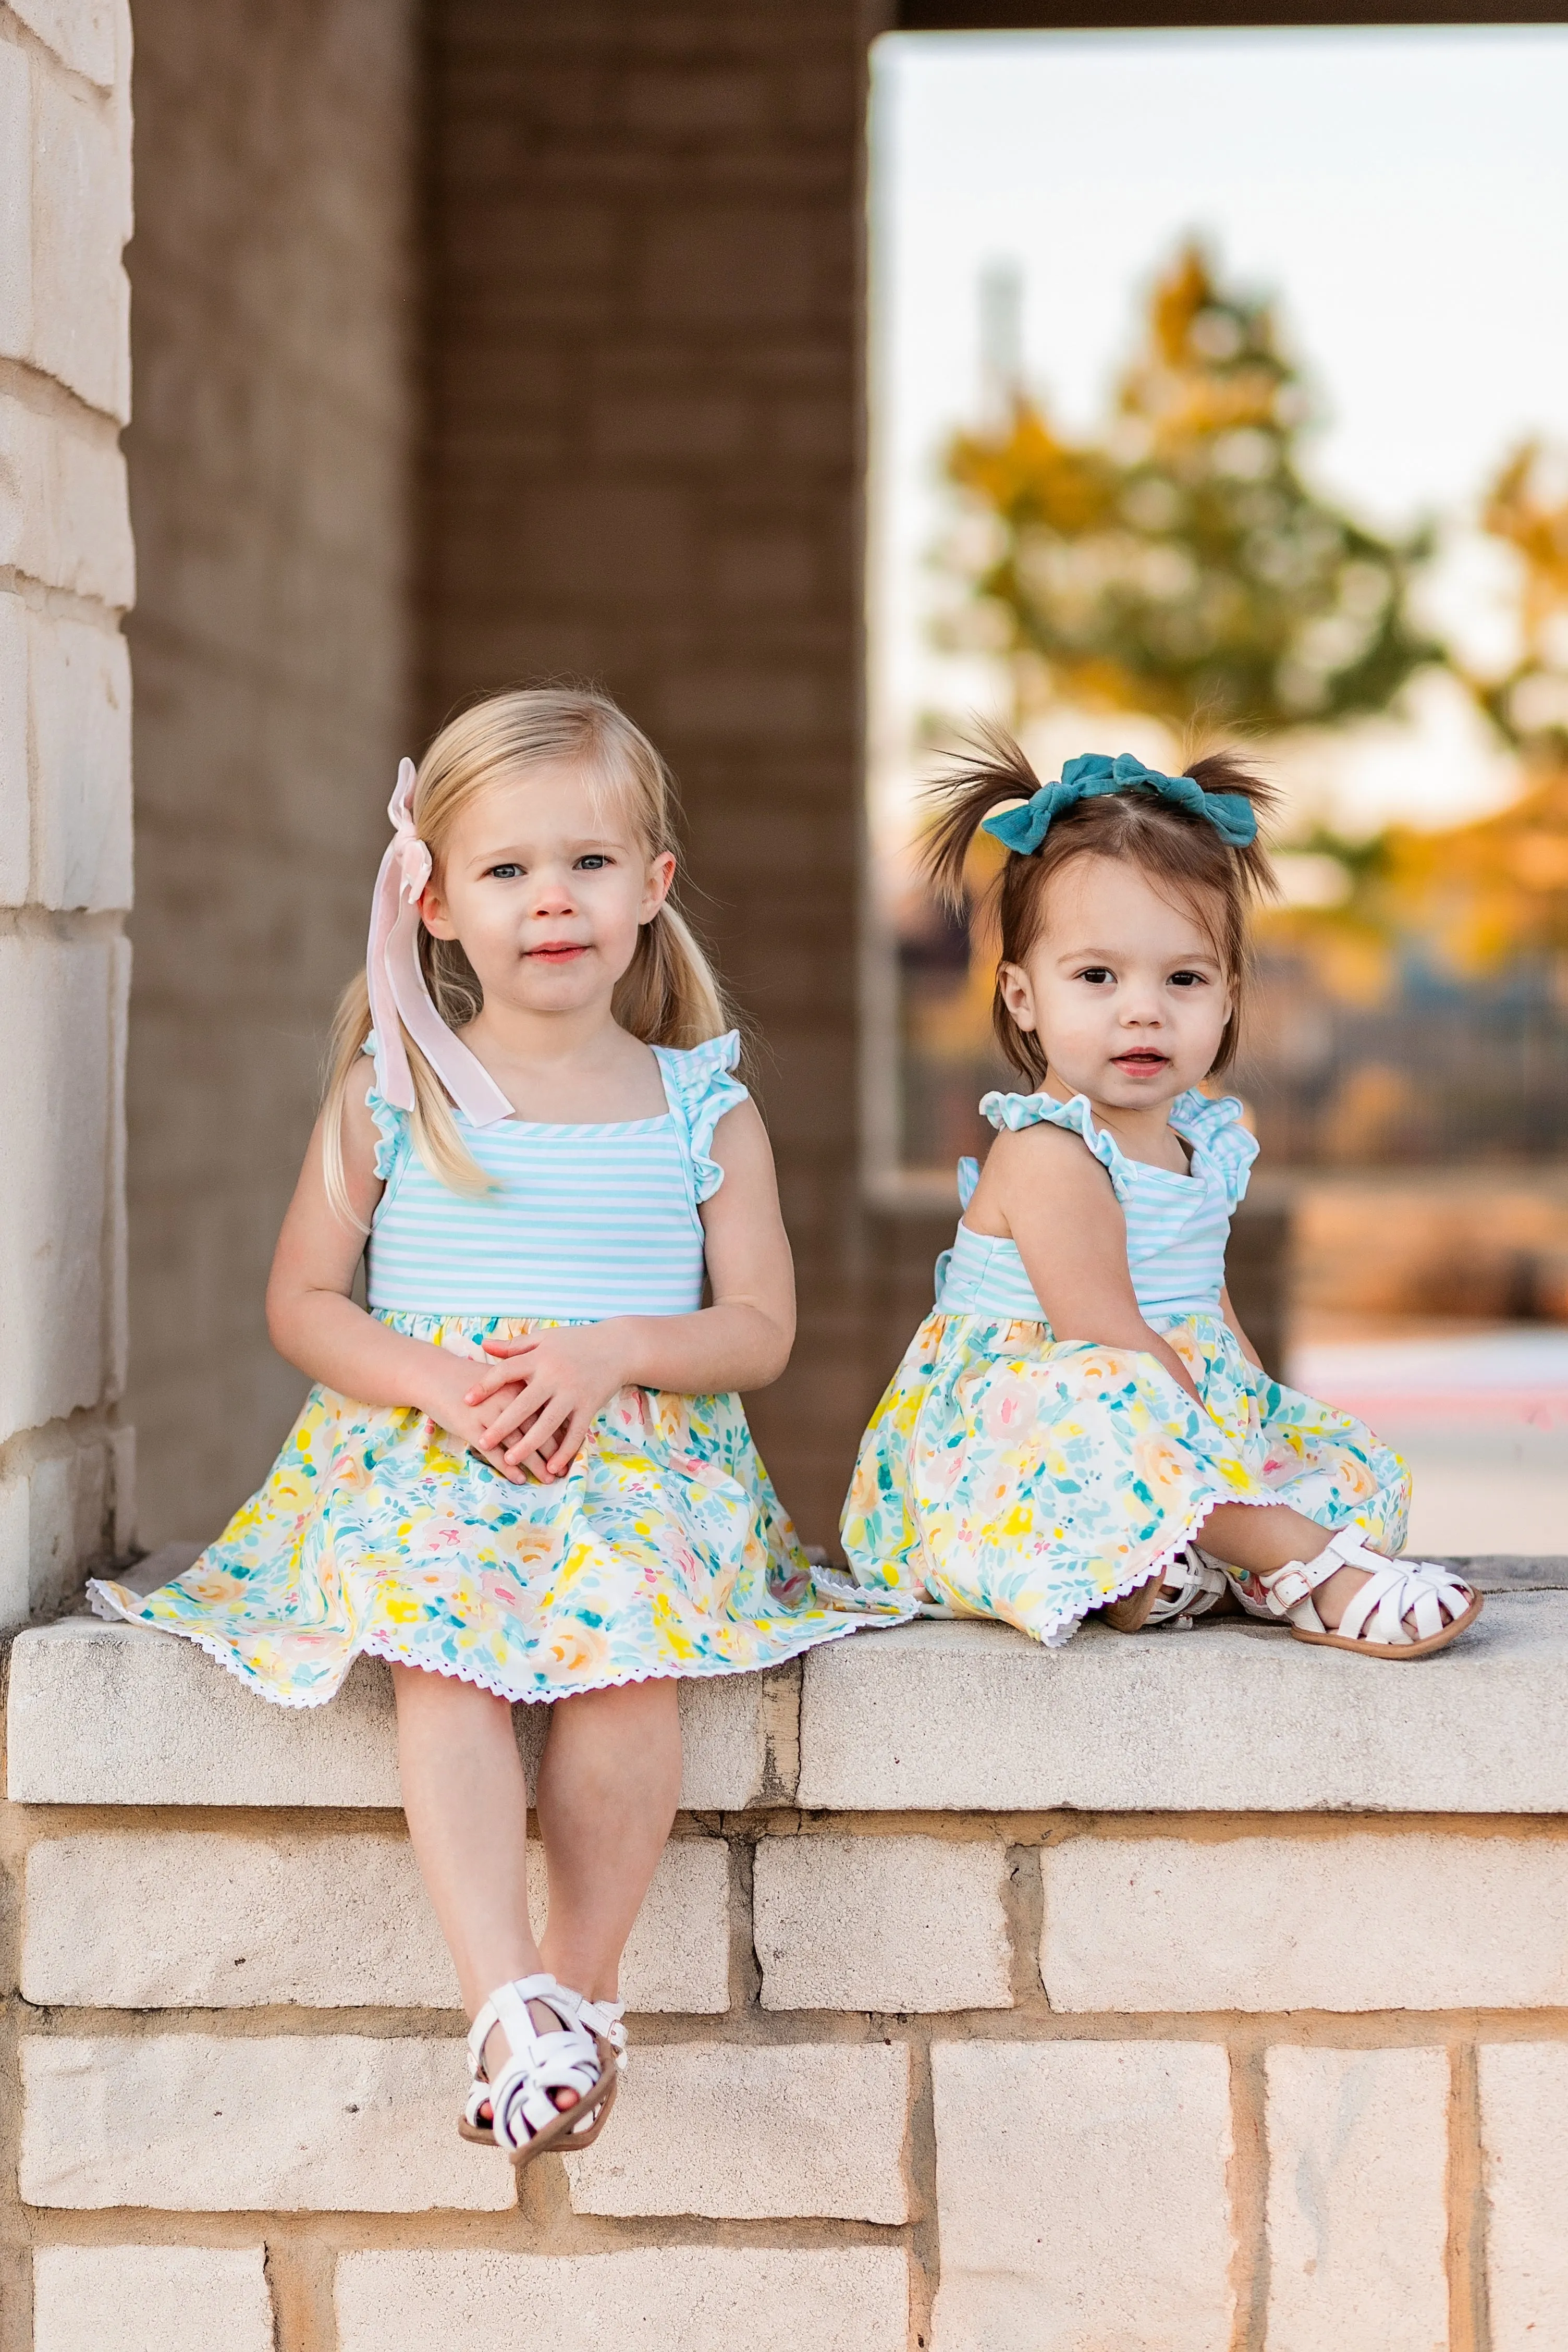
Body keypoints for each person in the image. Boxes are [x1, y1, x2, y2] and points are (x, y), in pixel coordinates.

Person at [92, 687, 889, 2168]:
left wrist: (616, 1353)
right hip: (431, 1450)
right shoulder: (391, 1094)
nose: (552, 903)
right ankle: (503, 2005)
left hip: (633, 1460)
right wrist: (440, 1385)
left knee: (625, 1663)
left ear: (652, 890)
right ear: (437, 904)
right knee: (438, 1648)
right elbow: (305, 1306)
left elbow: (761, 1331)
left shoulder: (699, 1110)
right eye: (508, 872)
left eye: (588, 864)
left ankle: (581, 2007)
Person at [840, 736, 1481, 1661]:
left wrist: (1254, 1423)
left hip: (1166, 1411)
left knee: (1344, 1466)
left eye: (1183, 979)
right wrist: (1216, 1456)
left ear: (1227, 1000)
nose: (1143, 1009)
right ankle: (1299, 1571)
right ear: (1022, 997)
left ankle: (1172, 1565)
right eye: (1097, 977)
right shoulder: (1046, 1149)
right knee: (1115, 1403)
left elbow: (1209, 1317)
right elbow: (1106, 1336)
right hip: (1018, 1449)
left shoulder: (1200, 1144)